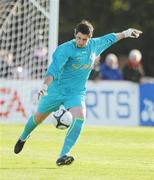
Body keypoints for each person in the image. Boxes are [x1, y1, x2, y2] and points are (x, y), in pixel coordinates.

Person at [14, 20, 142, 166]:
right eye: (79, 38)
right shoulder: (64, 49)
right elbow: (53, 70)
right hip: (56, 90)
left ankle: (63, 155)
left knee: (80, 117)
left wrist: (126, 33)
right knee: (38, 118)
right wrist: (44, 86)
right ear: (75, 35)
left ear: (90, 38)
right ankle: (23, 137)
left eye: (84, 39)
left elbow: (112, 37)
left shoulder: (95, 45)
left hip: (76, 93)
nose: (81, 42)